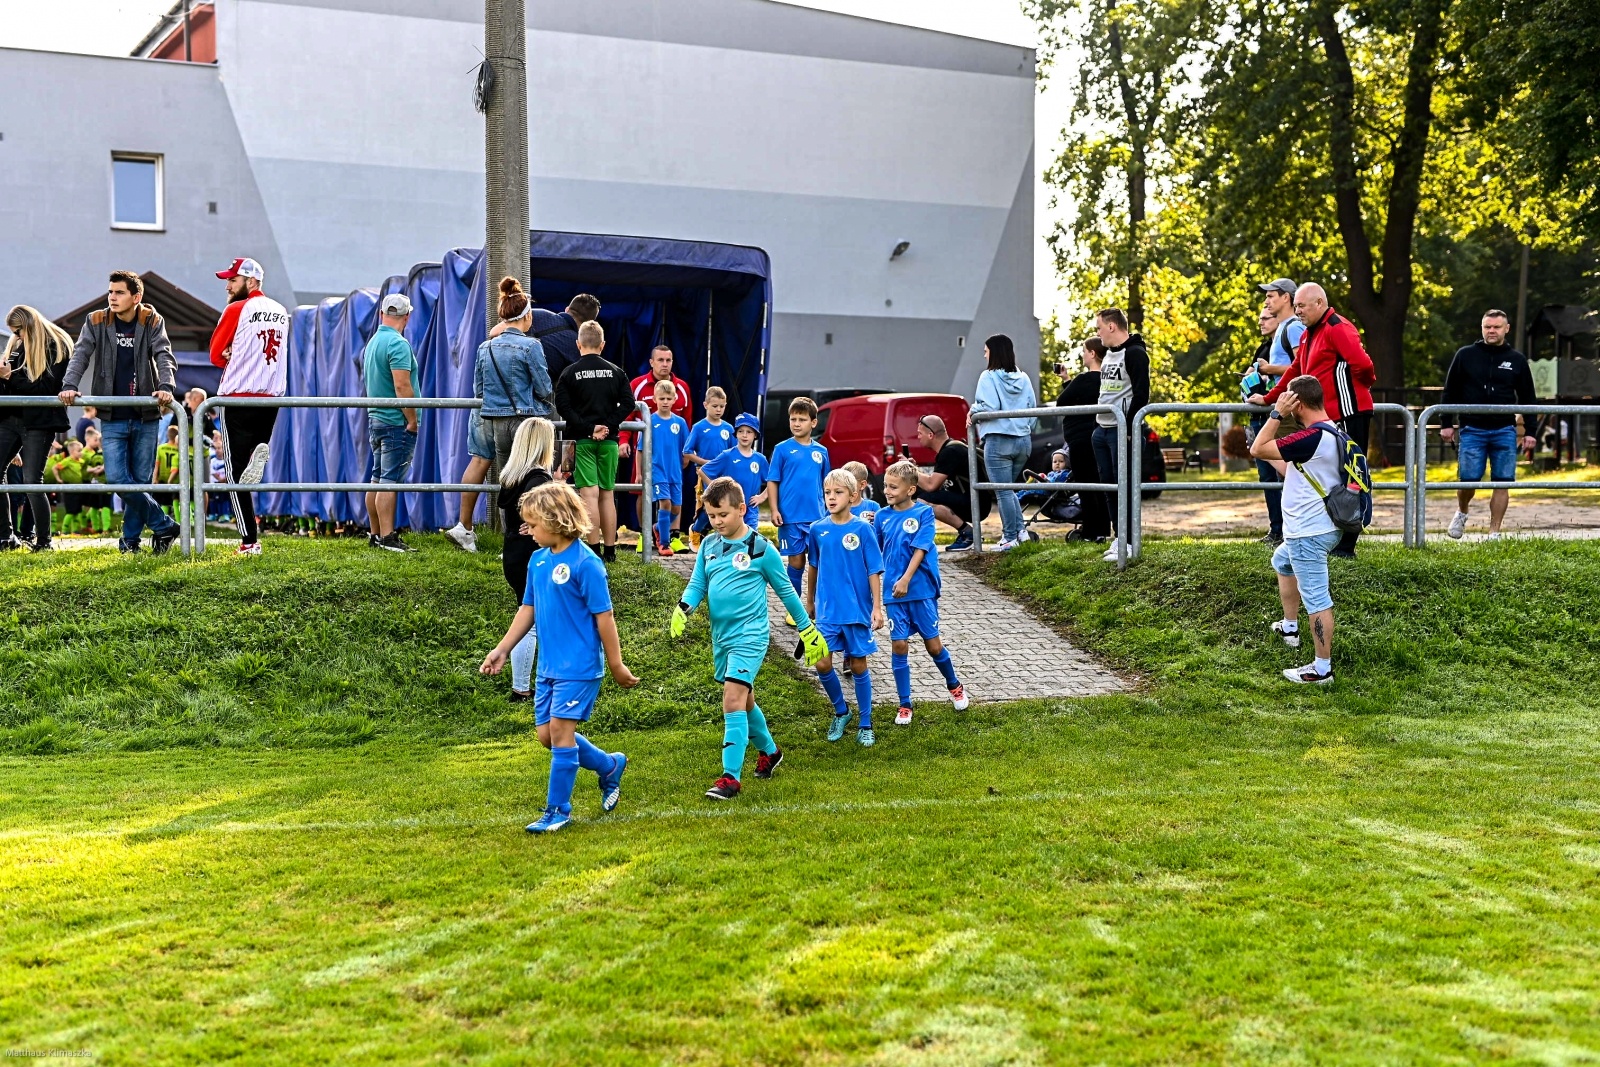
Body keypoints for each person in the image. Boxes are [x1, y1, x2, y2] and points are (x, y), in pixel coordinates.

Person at [480, 482, 637, 833]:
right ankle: (610, 766)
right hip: (549, 667)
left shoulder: (587, 564)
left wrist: (616, 664)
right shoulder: (537, 561)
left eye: (533, 525)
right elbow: (528, 609)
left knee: (562, 734)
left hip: (579, 667)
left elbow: (605, 618)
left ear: (556, 520)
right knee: (546, 736)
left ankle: (558, 810)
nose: (528, 531)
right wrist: (502, 648)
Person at [672, 476, 828, 801]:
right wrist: (683, 608)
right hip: (722, 638)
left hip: (750, 637)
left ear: (742, 509)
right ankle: (770, 752)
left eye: (723, 516)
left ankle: (730, 777)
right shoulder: (710, 546)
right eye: (712, 516)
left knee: (731, 699)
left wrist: (806, 628)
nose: (716, 522)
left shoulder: (760, 548)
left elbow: (786, 590)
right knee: (745, 700)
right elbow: (698, 583)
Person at [58, 269, 183, 555]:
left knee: (139, 483)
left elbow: (164, 355)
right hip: (113, 414)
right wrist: (69, 384)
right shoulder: (97, 320)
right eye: (110, 292)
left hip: (146, 414)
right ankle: (164, 526)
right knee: (117, 479)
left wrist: (166, 386)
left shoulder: (151, 319)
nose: (112, 297)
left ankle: (130, 544)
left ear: (136, 297)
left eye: (119, 293)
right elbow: (81, 353)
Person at [1251, 282, 1376, 558]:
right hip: (1324, 417)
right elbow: (1296, 370)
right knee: (1325, 474)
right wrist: (1270, 397)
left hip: (1348, 412)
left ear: (1319, 303)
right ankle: (1331, 537)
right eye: (1295, 307)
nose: (1297, 312)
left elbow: (1364, 365)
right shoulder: (1308, 333)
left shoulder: (1337, 327)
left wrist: (1360, 391)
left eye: (1302, 306)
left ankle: (1347, 547)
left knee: (1351, 476)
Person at [1248, 374, 1346, 685]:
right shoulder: (1332, 432)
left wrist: (1276, 413)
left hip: (1308, 532)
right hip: (1318, 528)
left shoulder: (1311, 437)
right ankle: (1290, 626)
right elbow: (1293, 467)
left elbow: (1259, 450)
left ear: (1297, 403)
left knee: (1317, 598)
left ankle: (1321, 669)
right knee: (1281, 560)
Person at [207, 257, 290, 556]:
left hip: (238, 395)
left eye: (233, 280)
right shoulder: (281, 311)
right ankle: (260, 448)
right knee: (246, 470)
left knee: (234, 474)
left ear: (251, 282)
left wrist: (229, 353)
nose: (228, 286)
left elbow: (215, 354)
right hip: (271, 395)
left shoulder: (236, 309)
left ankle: (249, 542)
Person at [877, 459, 969, 726]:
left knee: (933, 645)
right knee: (899, 644)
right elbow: (877, 550)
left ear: (911, 490)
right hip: (894, 592)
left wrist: (906, 578)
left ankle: (954, 685)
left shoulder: (924, 514)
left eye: (893, 487)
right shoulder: (882, 517)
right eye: (885, 486)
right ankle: (905, 704)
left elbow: (921, 549)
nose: (887, 491)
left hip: (920, 590)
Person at [1440, 309, 1538, 540]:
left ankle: (1494, 532)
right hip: (1472, 429)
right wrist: (1446, 423)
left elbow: (1528, 397)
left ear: (1506, 329)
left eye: (1496, 327)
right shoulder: (1465, 355)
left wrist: (1531, 431)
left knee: (1503, 481)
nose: (1491, 331)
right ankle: (1462, 511)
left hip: (1504, 429)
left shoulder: (1517, 360)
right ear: (1482, 328)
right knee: (1468, 480)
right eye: (1487, 327)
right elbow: (1450, 391)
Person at [807, 468, 885, 746]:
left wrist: (878, 607)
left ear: (853, 496)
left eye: (838, 492)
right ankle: (842, 711)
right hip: (827, 611)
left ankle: (866, 722)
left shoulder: (863, 529)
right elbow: (813, 567)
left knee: (859, 665)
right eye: (827, 492)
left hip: (856, 611)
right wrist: (810, 601)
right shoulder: (817, 530)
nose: (831, 497)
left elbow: (874, 570)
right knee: (821, 661)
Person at [554, 320, 637, 562]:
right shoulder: (617, 372)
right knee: (607, 495)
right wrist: (607, 426)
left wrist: (589, 428)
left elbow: (563, 407)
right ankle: (610, 551)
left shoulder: (568, 373)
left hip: (579, 441)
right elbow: (629, 403)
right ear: (602, 345)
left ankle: (592, 551)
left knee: (588, 495)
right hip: (609, 441)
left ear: (578, 344)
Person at [0, 305, 74, 551]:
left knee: (33, 481)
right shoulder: (16, 344)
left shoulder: (57, 344)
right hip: (11, 417)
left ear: (30, 325)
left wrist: (10, 377)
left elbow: (47, 388)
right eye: (14, 332)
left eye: (19, 331)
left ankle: (43, 541)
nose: (16, 336)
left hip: (40, 421)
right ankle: (6, 537)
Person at [496, 417, 557, 701]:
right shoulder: (540, 479)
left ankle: (523, 687)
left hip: (513, 553)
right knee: (532, 623)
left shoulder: (512, 476)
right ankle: (523, 688)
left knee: (527, 616)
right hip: (533, 556)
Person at [1243, 280, 1305, 546]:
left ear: (1286, 298)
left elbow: (1301, 366)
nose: (1266, 302)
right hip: (1278, 406)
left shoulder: (1292, 327)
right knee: (1276, 472)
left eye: (1271, 297)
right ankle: (1281, 531)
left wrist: (1268, 371)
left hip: (1289, 410)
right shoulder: (1283, 329)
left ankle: (1293, 530)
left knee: (1291, 470)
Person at [361, 293, 419, 553]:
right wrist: (412, 419)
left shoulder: (373, 342)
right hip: (396, 421)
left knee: (377, 478)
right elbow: (402, 385)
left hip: (376, 418)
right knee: (390, 481)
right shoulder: (398, 344)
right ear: (407, 316)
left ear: (381, 314)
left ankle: (375, 534)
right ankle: (388, 537)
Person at [1093, 309, 1150, 562]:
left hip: (1121, 429)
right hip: (1101, 429)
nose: (1098, 333)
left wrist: (1128, 427)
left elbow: (1141, 395)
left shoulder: (1135, 353)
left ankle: (1128, 541)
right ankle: (1119, 537)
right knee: (1110, 486)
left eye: (1099, 328)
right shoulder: (1108, 356)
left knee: (1124, 486)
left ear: (1112, 326)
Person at [623, 345, 692, 547]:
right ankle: (645, 535)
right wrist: (624, 440)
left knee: (674, 500)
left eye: (668, 360)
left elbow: (687, 422)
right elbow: (627, 417)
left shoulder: (683, 389)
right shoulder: (637, 385)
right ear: (651, 362)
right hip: (647, 454)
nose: (664, 364)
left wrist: (686, 454)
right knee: (642, 492)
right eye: (660, 360)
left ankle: (672, 536)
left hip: (673, 456)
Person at [766, 396, 830, 604]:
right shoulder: (782, 449)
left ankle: (814, 603)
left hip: (817, 518)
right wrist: (775, 509)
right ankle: (794, 607)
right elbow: (773, 481)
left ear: (813, 422)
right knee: (796, 560)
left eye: (802, 419)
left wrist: (830, 513)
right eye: (793, 419)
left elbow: (827, 485)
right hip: (790, 517)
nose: (796, 423)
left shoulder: (821, 452)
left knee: (816, 562)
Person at [1053, 337, 1109, 542]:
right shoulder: (1108, 380)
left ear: (1093, 353)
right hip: (1099, 436)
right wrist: (1066, 380)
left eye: (1085, 351)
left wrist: (1069, 382)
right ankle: (1102, 530)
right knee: (1101, 484)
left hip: (1080, 439)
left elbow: (1063, 402)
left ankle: (1090, 531)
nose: (1083, 354)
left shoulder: (1084, 379)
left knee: (1085, 485)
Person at [913, 415, 976, 550]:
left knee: (924, 500)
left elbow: (931, 485)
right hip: (969, 497)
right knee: (923, 495)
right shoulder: (949, 448)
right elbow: (936, 483)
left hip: (976, 503)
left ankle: (968, 533)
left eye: (920, 433)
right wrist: (914, 469)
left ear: (930, 435)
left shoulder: (950, 452)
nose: (918, 437)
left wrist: (909, 471)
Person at [699, 413, 768, 531]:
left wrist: (762, 497)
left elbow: (772, 481)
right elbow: (703, 471)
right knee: (731, 536)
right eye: (741, 431)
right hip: (729, 507)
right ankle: (697, 529)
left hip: (750, 508)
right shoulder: (727, 455)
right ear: (736, 434)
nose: (744, 435)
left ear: (755, 435)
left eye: (749, 432)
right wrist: (715, 490)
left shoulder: (760, 459)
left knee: (750, 537)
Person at [683, 386, 734, 545]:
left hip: (725, 475)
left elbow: (734, 452)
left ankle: (723, 539)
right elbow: (687, 452)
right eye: (715, 406)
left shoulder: (728, 428)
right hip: (706, 475)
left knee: (726, 504)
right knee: (709, 505)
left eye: (722, 406)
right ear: (705, 405)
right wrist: (705, 463)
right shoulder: (699, 427)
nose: (719, 409)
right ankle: (696, 530)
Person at [647, 379, 689, 556]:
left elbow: (686, 447)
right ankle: (664, 544)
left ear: (675, 399)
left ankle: (658, 527)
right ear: (654, 399)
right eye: (661, 398)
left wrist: (685, 460)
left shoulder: (679, 423)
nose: (665, 402)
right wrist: (640, 473)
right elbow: (641, 448)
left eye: (668, 398)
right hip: (658, 471)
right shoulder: (649, 421)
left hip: (675, 473)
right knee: (664, 503)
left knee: (676, 508)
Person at [528, 293, 600, 385]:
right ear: (588, 324)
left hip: (505, 375)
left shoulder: (535, 313)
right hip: (527, 392)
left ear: (567, 309)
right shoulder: (579, 348)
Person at [48, 439, 87, 535]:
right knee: (70, 511)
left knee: (78, 511)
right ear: (73, 452)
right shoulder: (67, 461)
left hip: (79, 488)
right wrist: (58, 479)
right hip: (69, 489)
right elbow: (55, 467)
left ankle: (75, 530)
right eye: (79, 451)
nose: (81, 453)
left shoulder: (81, 462)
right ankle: (65, 531)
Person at [155, 423, 183, 522]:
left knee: (163, 502)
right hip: (176, 479)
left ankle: (162, 521)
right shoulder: (180, 450)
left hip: (163, 479)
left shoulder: (160, 448)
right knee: (176, 501)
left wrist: (155, 478)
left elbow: (156, 465)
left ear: (167, 435)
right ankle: (179, 522)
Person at [842, 461, 878, 526]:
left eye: (850, 483)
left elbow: (882, 529)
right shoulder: (837, 507)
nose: (845, 486)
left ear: (862, 485)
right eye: (842, 483)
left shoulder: (873, 506)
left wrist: (877, 520)